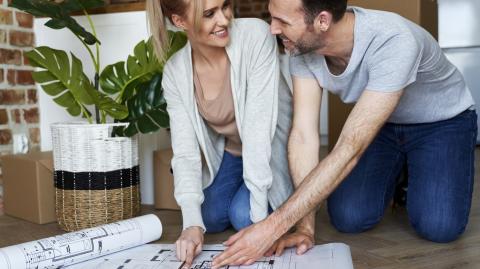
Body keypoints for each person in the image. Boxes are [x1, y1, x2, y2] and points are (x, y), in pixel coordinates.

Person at [212, 0, 477, 267]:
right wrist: (305, 228)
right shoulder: (302, 47)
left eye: (283, 22)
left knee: (439, 227)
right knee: (348, 218)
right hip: (381, 124)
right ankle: (400, 171)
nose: (273, 29)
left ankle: (410, 173)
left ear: (322, 21)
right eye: (272, 19)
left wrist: (271, 227)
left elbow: (350, 148)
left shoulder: (395, 40)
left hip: (441, 122)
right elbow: (303, 135)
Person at [146, 0, 294, 267]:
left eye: (225, 6)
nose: (224, 20)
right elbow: (186, 153)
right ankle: (241, 195)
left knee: (245, 216)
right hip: (233, 151)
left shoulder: (255, 37)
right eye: (209, 14)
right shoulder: (175, 72)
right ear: (180, 22)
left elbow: (259, 134)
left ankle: (264, 201)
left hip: (274, 149)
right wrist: (191, 226)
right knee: (208, 218)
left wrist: (261, 227)